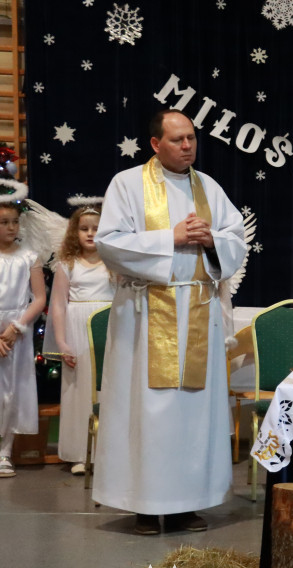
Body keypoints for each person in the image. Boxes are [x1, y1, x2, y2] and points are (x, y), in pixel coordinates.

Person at [93, 109, 246, 535]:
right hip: (145, 315)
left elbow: (237, 237)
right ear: (155, 144)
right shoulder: (127, 184)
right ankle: (144, 505)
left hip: (197, 309)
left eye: (192, 138)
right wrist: (171, 238)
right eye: (177, 139)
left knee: (191, 414)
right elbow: (109, 243)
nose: (187, 146)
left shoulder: (208, 187)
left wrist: (212, 239)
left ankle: (186, 503)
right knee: (148, 412)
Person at [43, 203, 115, 476]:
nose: (90, 234)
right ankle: (79, 453)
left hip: (106, 330)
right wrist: (62, 343)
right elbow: (59, 305)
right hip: (76, 330)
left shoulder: (113, 264)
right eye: (84, 229)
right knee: (78, 391)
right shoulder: (67, 264)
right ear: (75, 232)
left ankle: (105, 452)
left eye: (96, 229)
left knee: (105, 390)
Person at [0, 199, 46, 478]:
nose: (11, 227)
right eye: (4, 222)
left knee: (10, 393)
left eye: (14, 222)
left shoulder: (29, 256)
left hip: (17, 332)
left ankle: (5, 451)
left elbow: (39, 298)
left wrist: (16, 328)